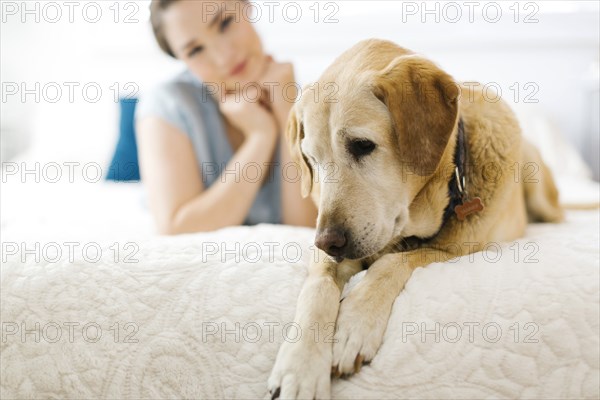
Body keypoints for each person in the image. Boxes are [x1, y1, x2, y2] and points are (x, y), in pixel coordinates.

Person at [135, 0, 317, 234]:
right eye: (195, 50)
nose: (223, 57)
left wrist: (287, 111)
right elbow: (177, 231)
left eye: (225, 23)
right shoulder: (167, 105)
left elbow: (306, 232)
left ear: (247, 6)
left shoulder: (299, 97)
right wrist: (260, 136)